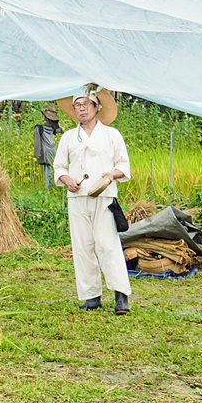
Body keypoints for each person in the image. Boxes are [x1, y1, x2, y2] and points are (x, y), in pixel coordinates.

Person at [52, 87, 133, 314]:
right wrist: (67, 180)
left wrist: (110, 175)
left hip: (104, 196)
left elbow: (123, 165)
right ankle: (91, 297)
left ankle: (120, 295)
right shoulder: (69, 137)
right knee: (83, 246)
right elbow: (59, 166)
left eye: (86, 105)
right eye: (77, 106)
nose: (81, 109)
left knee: (107, 245)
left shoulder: (111, 134)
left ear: (97, 107)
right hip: (77, 197)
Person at [32, 104, 63, 187]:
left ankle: (48, 186)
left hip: (46, 151)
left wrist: (37, 154)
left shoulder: (39, 128)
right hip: (53, 149)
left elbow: (37, 142)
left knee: (47, 170)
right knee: (53, 169)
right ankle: (52, 185)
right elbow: (61, 130)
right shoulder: (52, 128)